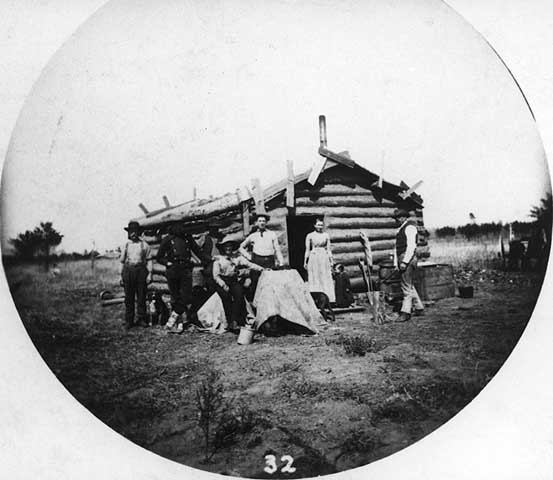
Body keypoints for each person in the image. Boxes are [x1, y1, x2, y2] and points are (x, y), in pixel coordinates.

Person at [156, 223, 209, 333]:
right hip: (173, 270)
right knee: (175, 296)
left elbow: (197, 251)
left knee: (186, 296)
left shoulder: (187, 238)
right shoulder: (167, 239)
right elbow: (159, 257)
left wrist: (209, 259)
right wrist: (168, 263)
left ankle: (173, 318)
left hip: (185, 269)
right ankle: (179, 323)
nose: (181, 229)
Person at [212, 236, 265, 332]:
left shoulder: (237, 258)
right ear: (223, 248)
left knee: (239, 295)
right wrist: (223, 285)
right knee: (226, 297)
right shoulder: (218, 260)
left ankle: (234, 320)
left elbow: (250, 265)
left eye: (230, 246)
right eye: (226, 246)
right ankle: (228, 322)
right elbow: (216, 276)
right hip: (222, 281)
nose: (228, 248)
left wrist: (262, 269)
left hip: (233, 280)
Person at [239, 213, 284, 296]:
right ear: (257, 223)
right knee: (256, 283)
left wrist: (281, 262)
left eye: (264, 221)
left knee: (270, 283)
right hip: (257, 261)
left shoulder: (272, 234)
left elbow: (277, 249)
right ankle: (256, 305)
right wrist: (249, 257)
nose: (262, 223)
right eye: (260, 221)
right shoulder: (253, 235)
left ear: (266, 223)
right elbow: (241, 247)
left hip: (269, 261)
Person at [392, 207, 424, 322]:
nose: (396, 220)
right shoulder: (400, 229)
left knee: (406, 287)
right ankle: (419, 307)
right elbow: (397, 248)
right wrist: (396, 263)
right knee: (408, 285)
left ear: (403, 217)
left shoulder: (410, 228)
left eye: (398, 218)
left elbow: (411, 246)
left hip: (408, 258)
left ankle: (405, 312)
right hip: (402, 258)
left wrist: (405, 262)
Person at [120, 221, 151, 329]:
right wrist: (121, 276)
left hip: (141, 270)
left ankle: (141, 319)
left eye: (135, 231)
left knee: (141, 295)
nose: (133, 234)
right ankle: (129, 320)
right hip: (128, 271)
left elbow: (149, 260)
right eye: (131, 232)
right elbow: (122, 261)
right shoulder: (125, 245)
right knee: (129, 297)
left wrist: (149, 274)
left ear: (139, 232)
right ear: (128, 233)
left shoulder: (144, 245)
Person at [304, 217, 335, 303]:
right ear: (314, 225)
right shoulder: (310, 235)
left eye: (321, 225)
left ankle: (328, 298)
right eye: (318, 225)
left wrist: (331, 260)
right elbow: (307, 249)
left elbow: (329, 249)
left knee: (325, 275)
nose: (320, 227)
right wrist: (305, 261)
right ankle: (317, 299)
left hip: (323, 257)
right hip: (314, 257)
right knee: (315, 276)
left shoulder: (326, 235)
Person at [201, 221, 224, 292]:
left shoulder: (221, 237)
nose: (215, 230)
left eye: (216, 228)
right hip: (210, 263)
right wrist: (200, 259)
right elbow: (196, 248)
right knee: (211, 282)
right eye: (213, 228)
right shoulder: (205, 238)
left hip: (221, 262)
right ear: (209, 229)